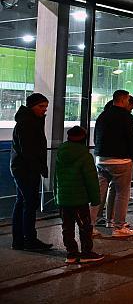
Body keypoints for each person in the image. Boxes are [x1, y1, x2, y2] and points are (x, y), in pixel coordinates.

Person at [91, 90, 133, 238]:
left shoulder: (103, 115)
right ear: (124, 100)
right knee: (122, 194)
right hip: (121, 160)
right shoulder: (126, 117)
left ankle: (89, 225)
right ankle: (118, 227)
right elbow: (131, 138)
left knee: (98, 194)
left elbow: (95, 137)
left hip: (102, 159)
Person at [54, 126, 103, 263]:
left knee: (67, 227)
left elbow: (56, 177)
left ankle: (71, 253)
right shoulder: (85, 155)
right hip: (79, 199)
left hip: (64, 198)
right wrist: (95, 199)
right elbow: (91, 179)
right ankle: (86, 253)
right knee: (85, 227)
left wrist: (56, 195)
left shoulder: (61, 152)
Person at [10, 93, 52, 251]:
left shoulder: (28, 121)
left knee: (22, 202)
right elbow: (29, 150)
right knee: (29, 204)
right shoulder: (28, 123)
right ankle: (29, 239)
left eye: (45, 107)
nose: (44, 110)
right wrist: (38, 167)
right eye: (41, 107)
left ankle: (20, 240)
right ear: (32, 106)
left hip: (22, 168)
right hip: (27, 169)